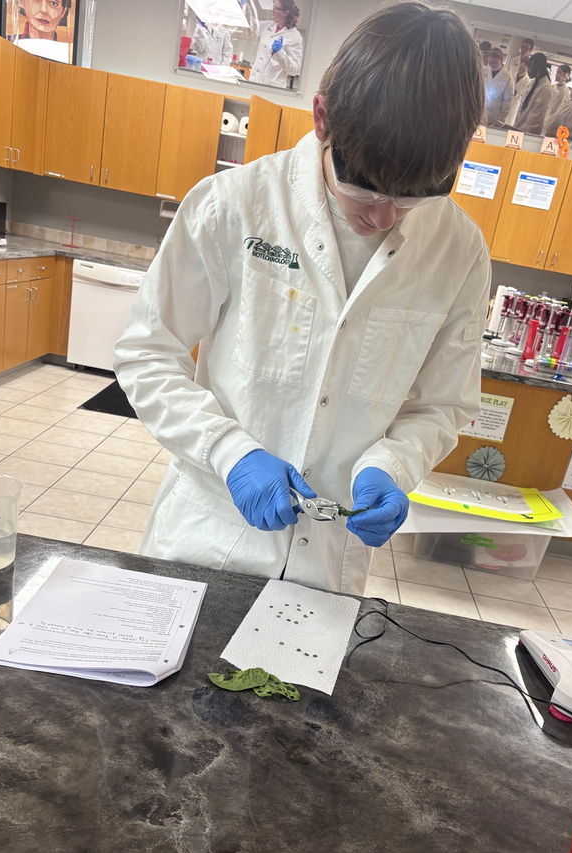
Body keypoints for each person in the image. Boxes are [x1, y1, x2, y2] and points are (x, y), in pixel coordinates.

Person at [114, 1, 490, 596]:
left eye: (419, 194)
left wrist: (396, 465)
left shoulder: (460, 250)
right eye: (364, 185)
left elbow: (443, 405)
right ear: (322, 118)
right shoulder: (233, 205)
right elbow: (146, 353)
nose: (385, 216)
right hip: (206, 540)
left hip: (328, 568)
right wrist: (229, 452)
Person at [241, 0, 303, 88]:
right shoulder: (268, 26)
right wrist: (245, 6)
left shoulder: (295, 37)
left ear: (286, 12)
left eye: (276, 8)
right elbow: (252, 24)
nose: (273, 10)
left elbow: (295, 70)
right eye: (273, 7)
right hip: (254, 81)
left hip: (272, 87)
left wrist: (280, 53)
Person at [513, 52, 554, 135]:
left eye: (531, 68)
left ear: (538, 68)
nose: (528, 71)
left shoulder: (545, 89)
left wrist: (518, 132)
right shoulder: (533, 83)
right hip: (518, 129)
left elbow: (534, 120)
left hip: (527, 133)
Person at [482, 48, 514, 126]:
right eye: (490, 62)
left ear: (501, 60)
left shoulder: (508, 77)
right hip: (482, 113)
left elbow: (507, 103)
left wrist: (501, 120)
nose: (492, 65)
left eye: (495, 63)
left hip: (495, 117)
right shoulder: (484, 71)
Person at [543, 64, 572, 136]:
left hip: (551, 122)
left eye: (559, 73)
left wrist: (547, 121)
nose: (556, 75)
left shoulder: (566, 91)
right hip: (543, 117)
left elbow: (559, 111)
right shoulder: (552, 87)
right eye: (557, 72)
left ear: (566, 75)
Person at [506, 58, 530, 126]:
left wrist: (517, 95)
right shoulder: (511, 75)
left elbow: (523, 96)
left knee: (509, 122)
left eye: (524, 69)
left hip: (515, 105)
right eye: (520, 67)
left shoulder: (528, 81)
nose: (521, 70)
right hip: (507, 101)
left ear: (527, 70)